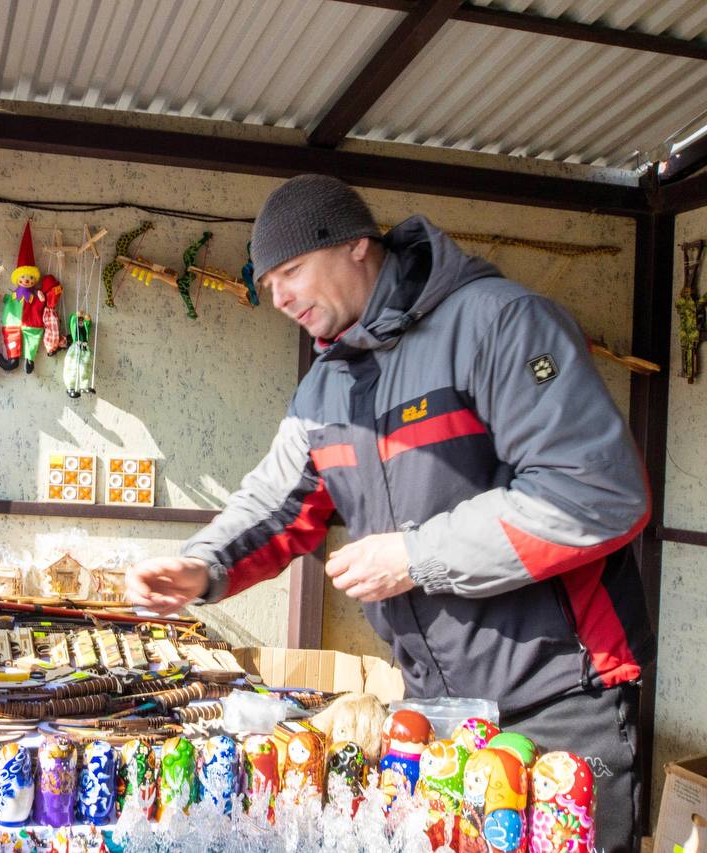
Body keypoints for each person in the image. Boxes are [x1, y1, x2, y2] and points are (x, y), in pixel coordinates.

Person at [126, 175, 652, 852]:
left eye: (291, 271)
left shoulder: (498, 323)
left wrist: (414, 557)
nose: (277, 297)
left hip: (561, 699)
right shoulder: (325, 389)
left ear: (355, 245)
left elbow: (596, 490)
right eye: (269, 281)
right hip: (437, 714)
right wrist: (203, 564)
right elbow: (276, 501)